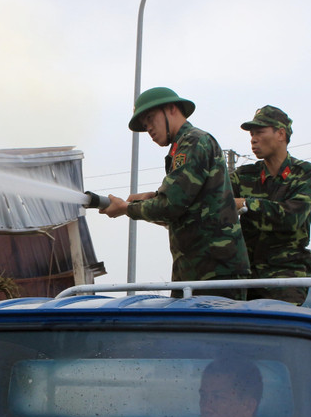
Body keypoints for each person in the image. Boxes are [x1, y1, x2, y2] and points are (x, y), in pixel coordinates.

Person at [100, 87, 249, 297]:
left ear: (171, 109)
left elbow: (171, 205)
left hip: (214, 273)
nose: (149, 129)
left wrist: (127, 208)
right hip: (195, 272)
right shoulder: (182, 147)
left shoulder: (194, 142)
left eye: (151, 119)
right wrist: (152, 198)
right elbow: (186, 211)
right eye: (145, 125)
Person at [231, 105, 311, 303]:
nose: (253, 139)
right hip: (245, 276)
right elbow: (212, 200)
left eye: (260, 132)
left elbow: (291, 218)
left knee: (285, 324)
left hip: (287, 276)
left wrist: (245, 204)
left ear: (281, 134)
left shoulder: (304, 173)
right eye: (251, 134)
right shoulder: (243, 176)